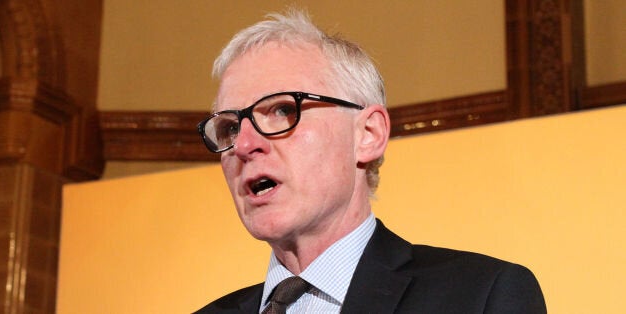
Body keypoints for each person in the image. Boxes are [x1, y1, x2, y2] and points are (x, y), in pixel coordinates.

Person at [195, 9, 546, 314]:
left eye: (283, 110)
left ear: (368, 135)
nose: (243, 145)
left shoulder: (479, 297)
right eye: (228, 127)